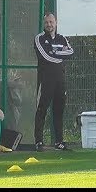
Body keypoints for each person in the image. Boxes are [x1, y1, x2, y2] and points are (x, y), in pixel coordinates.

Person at [34, 12, 74, 152]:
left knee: (59, 110)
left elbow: (71, 52)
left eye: (51, 22)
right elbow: (46, 57)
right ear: (44, 24)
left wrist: (54, 52)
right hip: (45, 80)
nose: (49, 25)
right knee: (42, 109)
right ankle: (38, 141)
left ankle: (59, 141)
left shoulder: (62, 38)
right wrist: (59, 54)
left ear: (56, 23)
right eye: (47, 22)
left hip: (60, 80)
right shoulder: (39, 38)